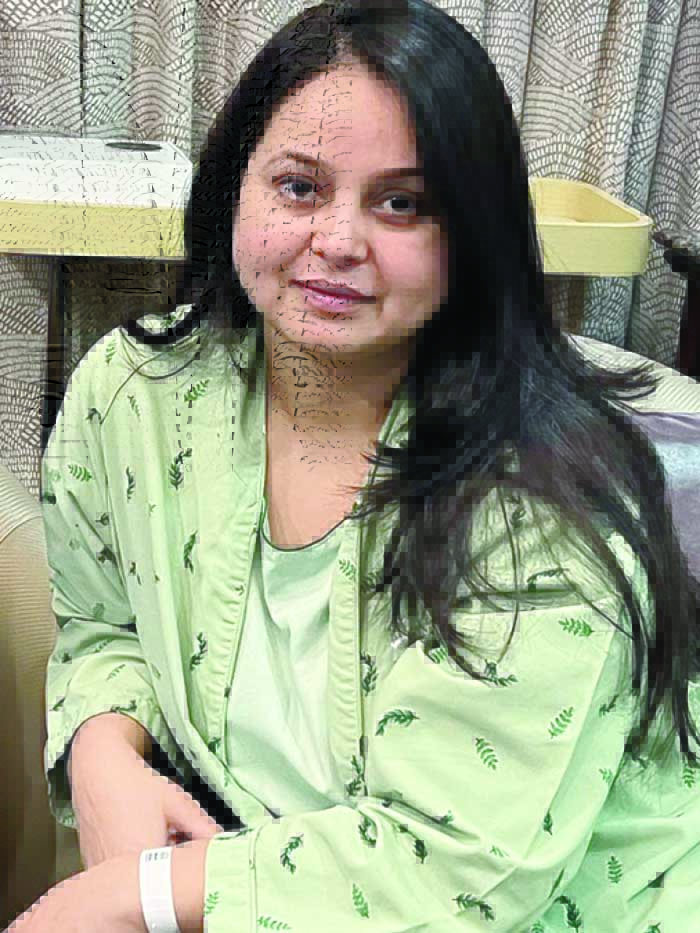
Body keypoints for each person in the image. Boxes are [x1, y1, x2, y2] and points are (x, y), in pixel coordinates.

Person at [39, 0, 700, 930]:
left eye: (402, 204)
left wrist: (141, 893)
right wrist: (103, 746)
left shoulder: (545, 506)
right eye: (298, 187)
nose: (339, 241)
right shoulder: (134, 394)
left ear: (471, 236)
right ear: (234, 188)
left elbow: (455, 870)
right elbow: (101, 618)